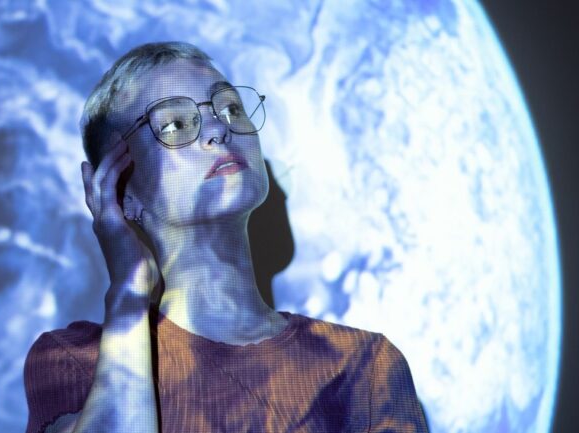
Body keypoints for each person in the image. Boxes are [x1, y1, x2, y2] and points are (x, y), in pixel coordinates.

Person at [23, 41, 430, 433]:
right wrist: (129, 294)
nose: (219, 128)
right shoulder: (77, 360)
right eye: (175, 124)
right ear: (120, 191)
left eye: (231, 108)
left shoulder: (362, 365)